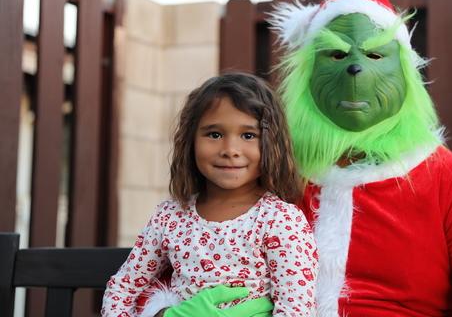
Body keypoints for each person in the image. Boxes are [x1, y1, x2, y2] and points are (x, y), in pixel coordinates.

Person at [268, 0, 452, 316]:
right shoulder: (279, 171)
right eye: (337, 55)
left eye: (374, 55)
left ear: (404, 72)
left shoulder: (448, 178)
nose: (355, 69)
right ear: (306, 72)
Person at [101, 73, 318, 317]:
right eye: (214, 134)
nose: (230, 150)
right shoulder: (170, 217)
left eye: (248, 135)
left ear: (271, 142)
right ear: (190, 141)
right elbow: (122, 287)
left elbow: (296, 310)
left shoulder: (280, 220)